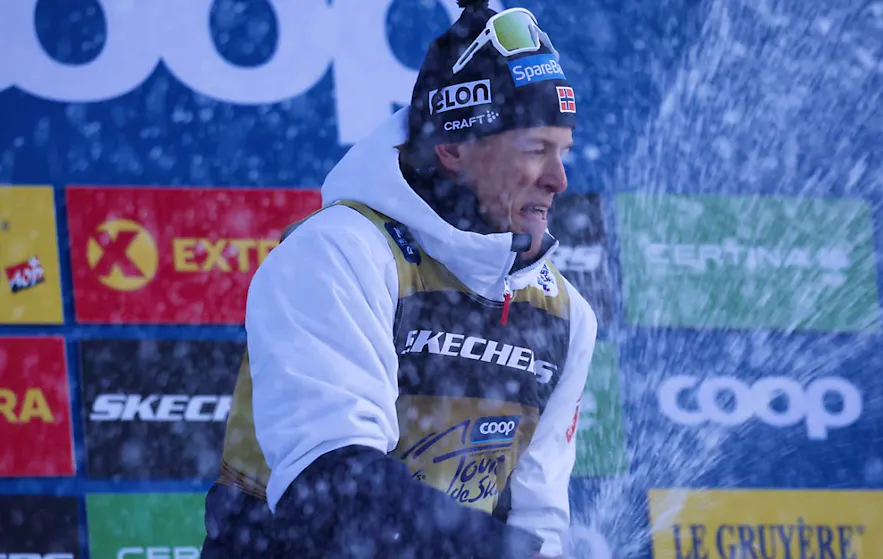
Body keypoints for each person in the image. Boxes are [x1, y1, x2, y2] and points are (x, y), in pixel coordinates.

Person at [200, 1, 597, 557]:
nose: (559, 179)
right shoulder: (339, 252)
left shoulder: (566, 313)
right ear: (454, 147)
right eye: (535, 149)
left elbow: (537, 518)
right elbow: (331, 490)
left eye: (563, 151)